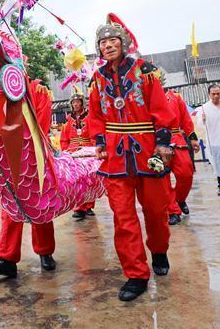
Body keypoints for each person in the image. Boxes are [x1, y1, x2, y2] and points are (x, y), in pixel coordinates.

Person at [84, 15, 175, 302]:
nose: (108, 45)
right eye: (103, 42)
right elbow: (95, 114)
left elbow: (160, 108)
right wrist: (98, 140)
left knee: (156, 212)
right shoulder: (96, 79)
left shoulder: (145, 71)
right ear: (99, 49)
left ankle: (159, 250)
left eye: (113, 40)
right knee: (123, 217)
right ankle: (136, 274)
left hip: (147, 151)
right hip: (115, 155)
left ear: (123, 44)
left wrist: (163, 143)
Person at [0, 79, 57, 279]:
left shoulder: (38, 90)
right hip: (7, 155)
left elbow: (41, 123)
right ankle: (7, 259)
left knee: (40, 203)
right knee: (10, 206)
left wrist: (28, 148)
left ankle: (45, 252)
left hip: (34, 155)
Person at [165, 89, 199, 225]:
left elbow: (185, 118)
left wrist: (192, 137)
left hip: (176, 138)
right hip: (154, 141)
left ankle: (179, 199)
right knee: (162, 180)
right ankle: (173, 211)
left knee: (186, 173)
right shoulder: (142, 96)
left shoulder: (175, 97)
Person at [60, 93, 95, 220]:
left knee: (90, 179)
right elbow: (64, 137)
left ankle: (89, 205)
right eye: (73, 102)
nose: (75, 104)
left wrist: (95, 149)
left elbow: (94, 134)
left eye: (78, 102)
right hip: (73, 152)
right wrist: (65, 152)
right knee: (76, 181)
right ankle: (78, 208)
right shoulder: (68, 119)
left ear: (82, 103)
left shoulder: (89, 117)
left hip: (87, 150)